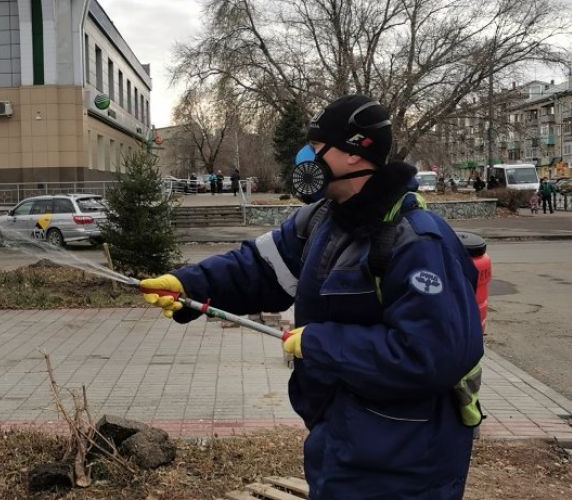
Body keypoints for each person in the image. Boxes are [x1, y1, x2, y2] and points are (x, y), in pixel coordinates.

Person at [140, 95, 484, 499]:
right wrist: (190, 285)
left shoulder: (417, 240)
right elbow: (258, 267)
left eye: (318, 148)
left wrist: (320, 343)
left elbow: (433, 356)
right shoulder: (323, 219)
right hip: (342, 440)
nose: (306, 156)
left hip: (406, 458)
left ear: (356, 154)